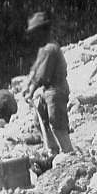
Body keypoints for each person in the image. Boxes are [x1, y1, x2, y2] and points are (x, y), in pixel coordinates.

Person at [24, 11, 74, 153]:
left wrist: (31, 91)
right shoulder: (43, 49)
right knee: (40, 122)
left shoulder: (51, 49)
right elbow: (35, 70)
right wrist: (27, 86)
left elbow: (42, 76)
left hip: (56, 90)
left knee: (57, 124)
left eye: (35, 33)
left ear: (43, 31)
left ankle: (68, 152)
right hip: (47, 91)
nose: (33, 37)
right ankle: (53, 150)